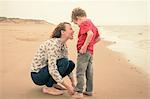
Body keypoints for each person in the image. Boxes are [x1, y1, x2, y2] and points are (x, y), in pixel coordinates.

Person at [30, 22, 75, 96]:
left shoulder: (63, 45)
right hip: (37, 75)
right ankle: (48, 87)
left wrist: (73, 83)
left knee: (70, 64)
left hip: (46, 71)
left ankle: (53, 83)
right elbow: (52, 68)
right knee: (64, 62)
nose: (73, 31)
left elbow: (67, 65)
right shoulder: (53, 44)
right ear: (62, 32)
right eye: (70, 29)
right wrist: (68, 87)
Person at [71, 7, 100, 98]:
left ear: (78, 18)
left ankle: (79, 92)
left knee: (80, 71)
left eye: (76, 23)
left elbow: (90, 34)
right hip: (90, 52)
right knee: (89, 72)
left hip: (84, 52)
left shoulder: (84, 23)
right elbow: (98, 38)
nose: (78, 25)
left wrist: (84, 46)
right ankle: (89, 90)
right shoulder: (92, 24)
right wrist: (90, 45)